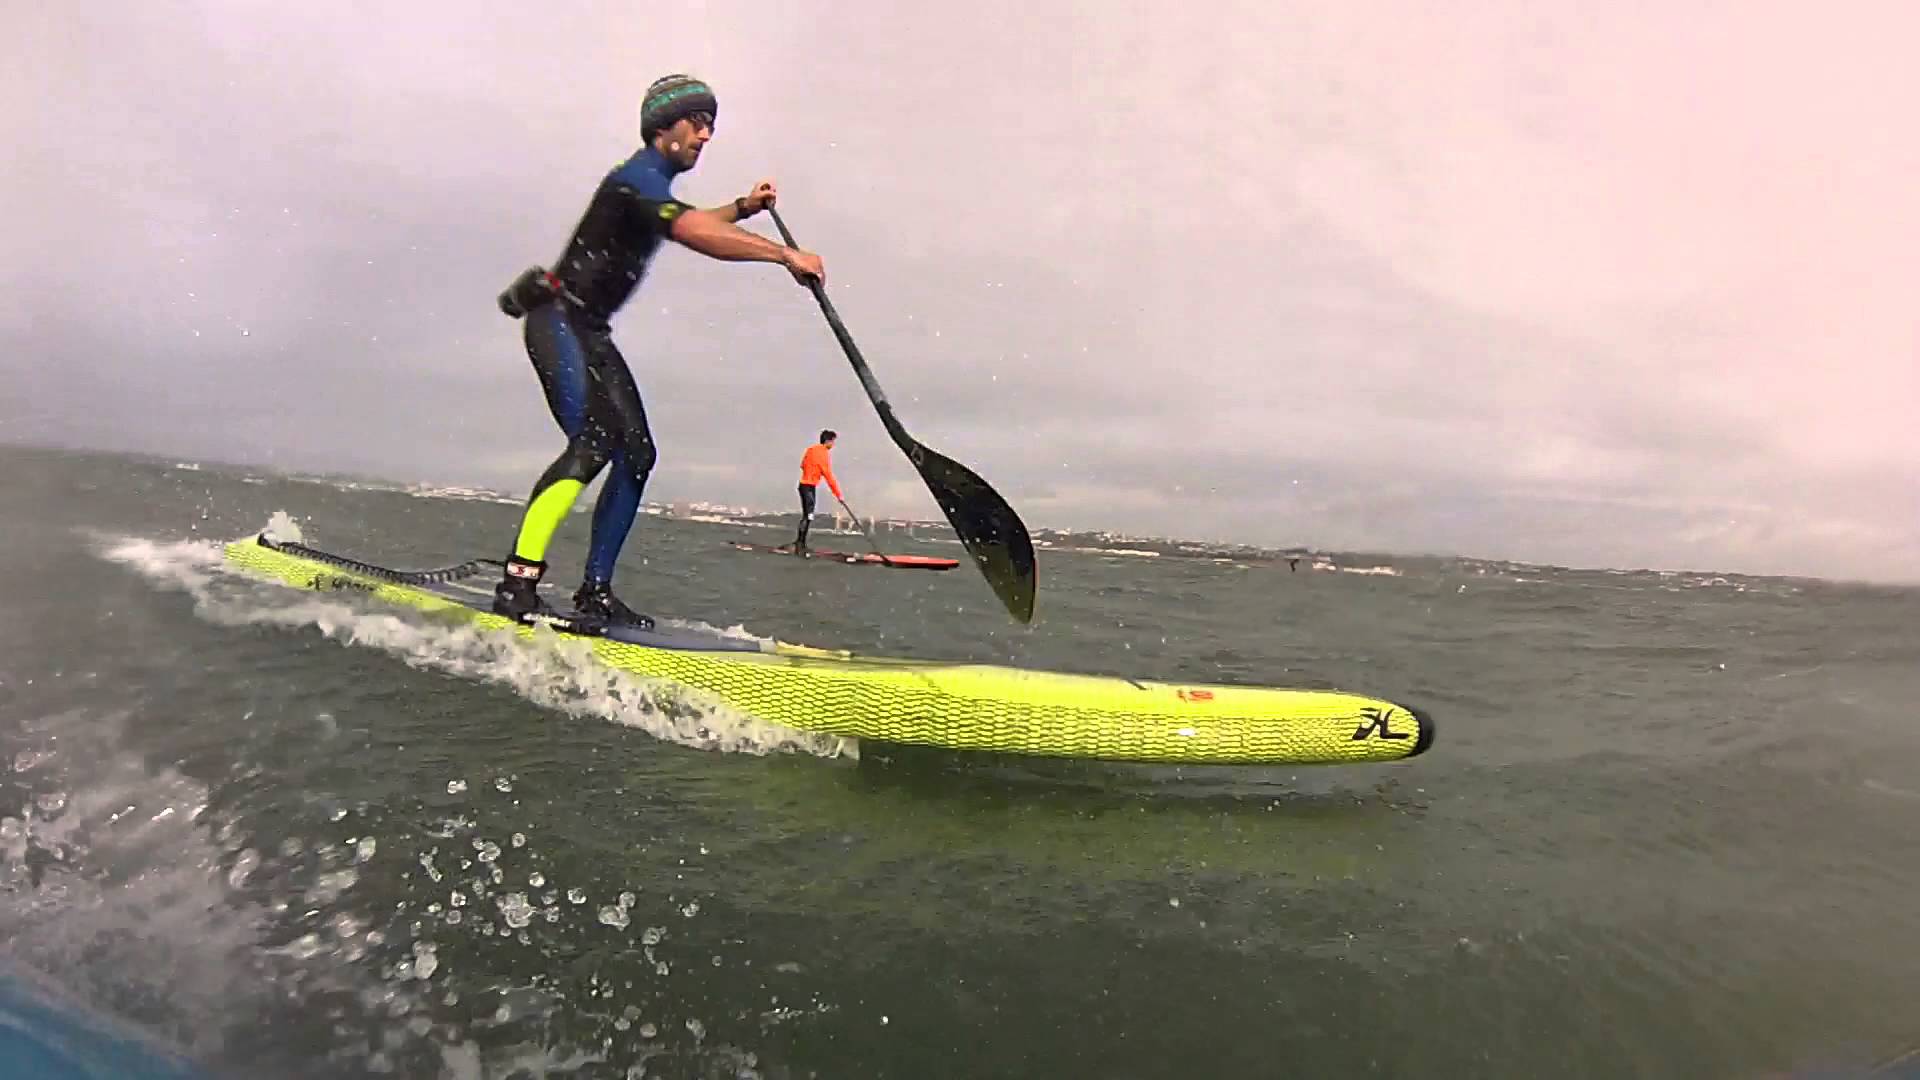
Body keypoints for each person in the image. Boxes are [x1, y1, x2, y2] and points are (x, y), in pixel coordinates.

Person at [489, 74, 825, 629]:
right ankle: (517, 583)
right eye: (698, 122)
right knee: (595, 442)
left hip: (589, 331)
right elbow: (692, 230)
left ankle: (594, 591)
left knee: (638, 453)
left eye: (712, 124)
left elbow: (687, 221)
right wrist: (785, 255)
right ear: (663, 127)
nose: (706, 135)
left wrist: (743, 207)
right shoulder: (635, 180)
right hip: (558, 321)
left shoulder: (653, 192)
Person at [787, 430, 841, 553]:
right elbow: (828, 475)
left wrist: (812, 471)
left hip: (803, 486)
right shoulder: (823, 453)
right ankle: (800, 544)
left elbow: (803, 465)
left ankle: (800, 542)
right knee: (808, 516)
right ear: (828, 441)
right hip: (809, 487)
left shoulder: (811, 449)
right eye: (833, 442)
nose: (833, 445)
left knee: (807, 515)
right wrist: (839, 495)